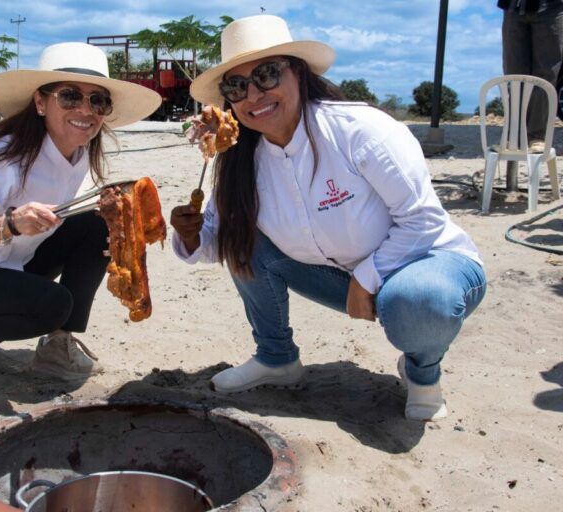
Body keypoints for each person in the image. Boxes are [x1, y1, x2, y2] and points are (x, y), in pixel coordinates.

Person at [170, 15, 487, 421]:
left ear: (298, 74)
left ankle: (421, 372)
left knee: (419, 302)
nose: (254, 94)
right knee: (245, 237)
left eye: (267, 75)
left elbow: (423, 221)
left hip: (426, 263)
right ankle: (276, 359)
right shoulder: (241, 159)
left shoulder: (360, 130)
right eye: (237, 86)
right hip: (335, 273)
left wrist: (367, 277)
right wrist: (191, 235)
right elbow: (224, 245)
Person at [0, 42, 161, 383]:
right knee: (53, 304)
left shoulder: (78, 153)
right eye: (70, 96)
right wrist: (9, 225)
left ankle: (58, 347)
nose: (86, 110)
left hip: (11, 265)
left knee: (99, 221)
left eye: (97, 100)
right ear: (40, 102)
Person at [498, 0, 563, 152]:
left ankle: (537, 135)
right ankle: (514, 134)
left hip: (553, 8)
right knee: (514, 74)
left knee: (547, 74)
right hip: (514, 7)